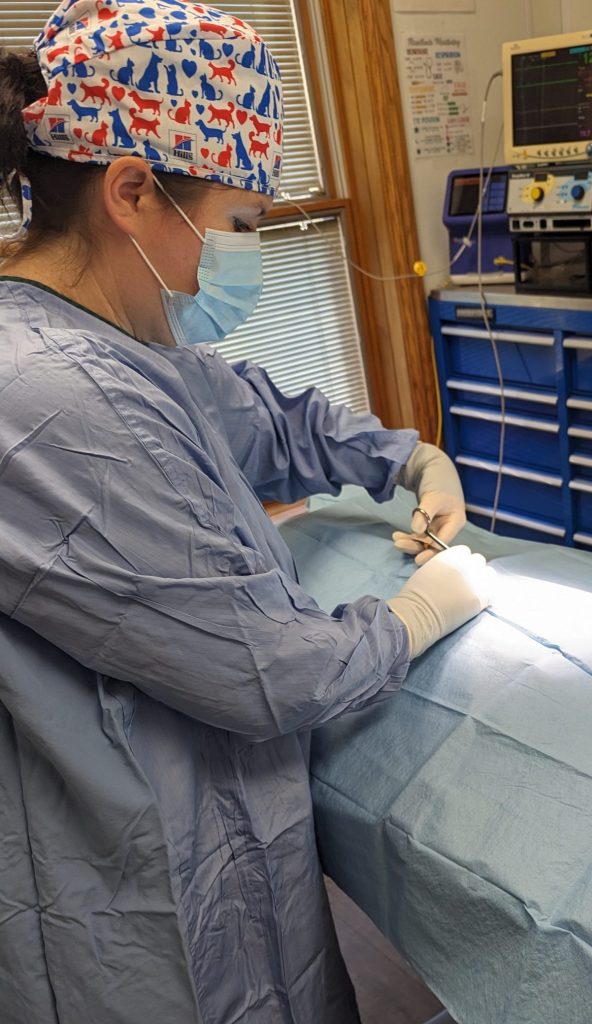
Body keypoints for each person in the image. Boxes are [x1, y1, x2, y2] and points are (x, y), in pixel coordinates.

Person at [0, 1, 493, 1021]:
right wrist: (417, 613)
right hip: (138, 910)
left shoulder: (115, 339)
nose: (246, 257)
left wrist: (412, 460)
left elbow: (262, 415)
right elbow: (270, 672)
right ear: (131, 191)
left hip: (234, 855)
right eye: (239, 225)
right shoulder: (45, 400)